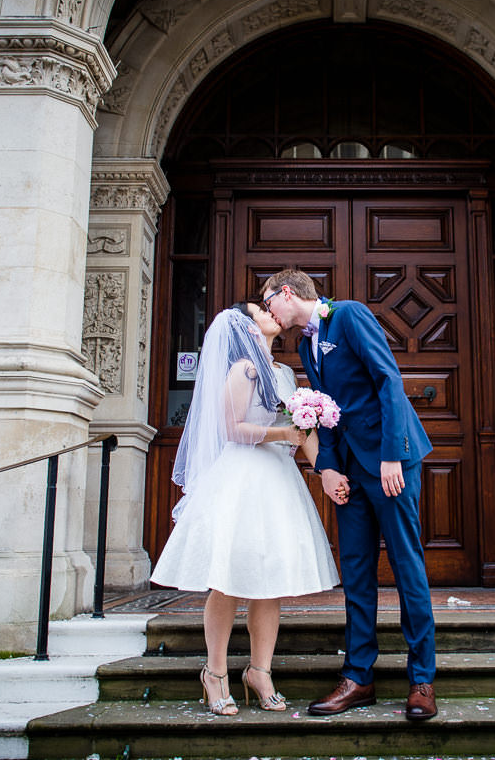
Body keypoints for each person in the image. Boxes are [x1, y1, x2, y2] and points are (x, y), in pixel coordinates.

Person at [260, 269, 438, 721]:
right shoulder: (305, 344)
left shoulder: (350, 316)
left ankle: (422, 680)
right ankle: (358, 677)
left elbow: (387, 380)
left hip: (389, 463)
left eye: (269, 303)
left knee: (406, 566)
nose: (269, 313)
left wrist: (393, 453)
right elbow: (327, 412)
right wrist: (327, 468)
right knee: (356, 573)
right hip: (350, 475)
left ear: (287, 293)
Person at [150, 302, 339, 715]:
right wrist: (282, 431)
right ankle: (215, 673)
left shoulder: (285, 374)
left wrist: (327, 470)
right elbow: (232, 428)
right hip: (242, 478)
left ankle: (260, 670)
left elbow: (302, 430)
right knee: (229, 579)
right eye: (261, 311)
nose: (271, 312)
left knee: (269, 580)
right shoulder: (242, 370)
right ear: (249, 328)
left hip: (277, 479)